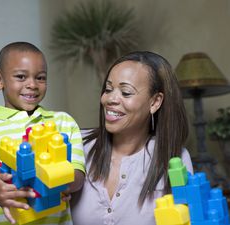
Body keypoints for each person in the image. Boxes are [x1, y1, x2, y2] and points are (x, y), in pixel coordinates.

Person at [0, 41, 85, 225]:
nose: (32, 84)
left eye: (40, 78)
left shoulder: (63, 123)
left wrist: (62, 183)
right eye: (21, 76)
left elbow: (78, 174)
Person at [70, 51, 193, 225]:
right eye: (108, 89)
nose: (110, 99)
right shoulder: (76, 144)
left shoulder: (174, 158)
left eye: (126, 92)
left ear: (155, 102)